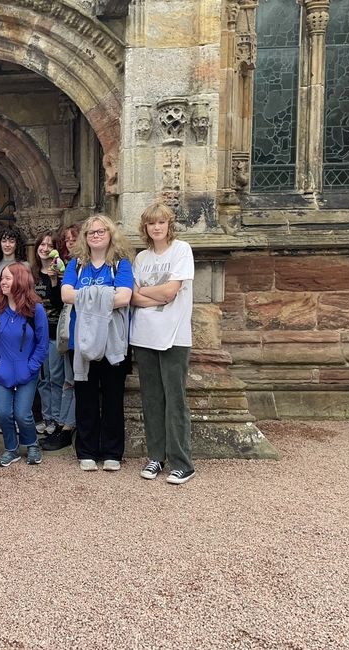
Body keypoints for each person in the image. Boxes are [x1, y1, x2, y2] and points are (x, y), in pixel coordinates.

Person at [61, 215, 134, 471]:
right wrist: (104, 296)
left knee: (113, 398)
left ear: (110, 234)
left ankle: (113, 452)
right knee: (86, 397)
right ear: (85, 237)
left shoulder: (120, 264)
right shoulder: (76, 265)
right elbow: (66, 294)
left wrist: (87, 298)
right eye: (91, 232)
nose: (96, 235)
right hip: (80, 342)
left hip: (113, 341)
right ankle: (87, 451)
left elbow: (124, 297)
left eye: (101, 231)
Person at [130, 202, 196, 485]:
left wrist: (146, 292)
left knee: (175, 400)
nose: (156, 227)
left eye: (161, 222)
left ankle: (182, 462)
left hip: (174, 336)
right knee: (152, 399)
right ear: (145, 228)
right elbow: (132, 297)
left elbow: (171, 293)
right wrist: (149, 294)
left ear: (170, 225)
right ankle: (156, 457)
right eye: (151, 223)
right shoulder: (141, 258)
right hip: (144, 335)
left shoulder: (181, 250)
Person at [0, 263, 48, 466]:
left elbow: (42, 344)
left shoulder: (35, 310)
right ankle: (11, 449)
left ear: (20, 280)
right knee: (3, 413)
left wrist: (31, 368)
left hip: (26, 371)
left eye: (8, 278)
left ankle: (32, 445)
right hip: (2, 370)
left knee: (22, 414)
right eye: (2, 278)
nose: (3, 281)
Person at [41, 222, 81, 451]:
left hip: (82, 329)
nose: (71, 242)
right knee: (67, 380)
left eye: (74, 238)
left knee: (73, 380)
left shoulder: (79, 266)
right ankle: (64, 425)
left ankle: (69, 426)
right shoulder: (67, 266)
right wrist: (56, 281)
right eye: (67, 239)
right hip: (67, 330)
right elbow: (59, 301)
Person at [30, 231, 65, 438]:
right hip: (37, 335)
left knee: (56, 377)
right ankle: (46, 417)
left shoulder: (60, 273)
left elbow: (60, 303)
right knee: (43, 379)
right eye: (41, 244)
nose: (44, 248)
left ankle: (57, 417)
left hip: (55, 332)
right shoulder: (31, 274)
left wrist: (53, 281)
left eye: (49, 245)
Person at [0, 225, 28, 301]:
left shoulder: (24, 265)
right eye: (4, 241)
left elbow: (27, 292)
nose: (7, 245)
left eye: (11, 241)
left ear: (17, 244)